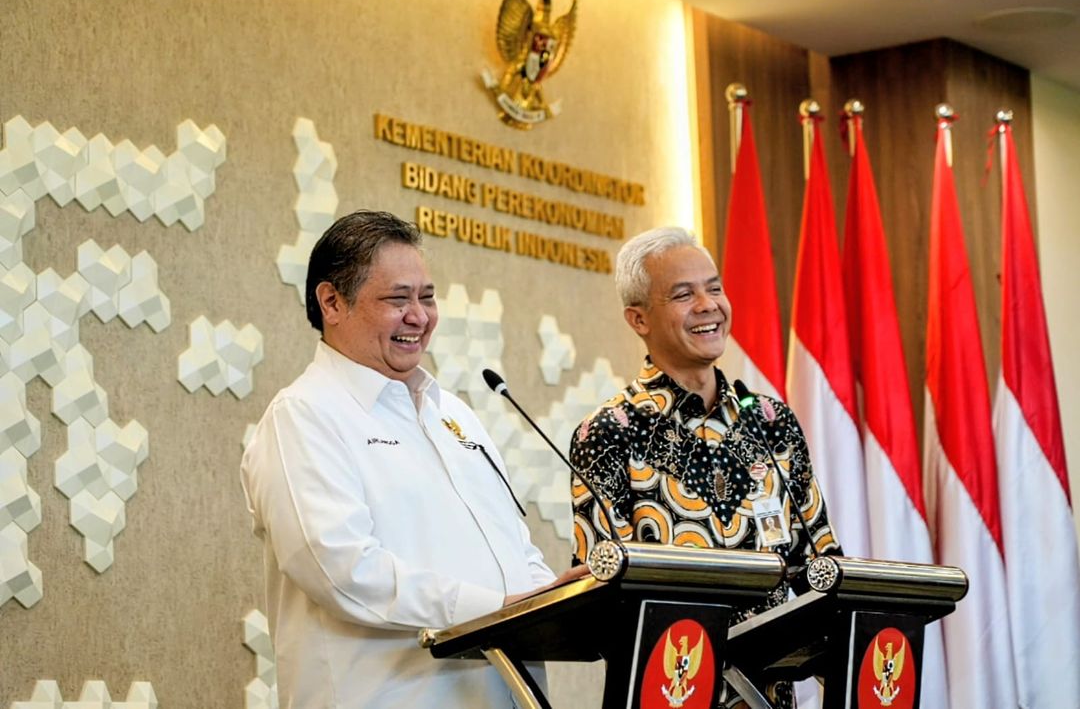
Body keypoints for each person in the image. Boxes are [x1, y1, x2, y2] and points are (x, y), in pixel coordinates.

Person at [241, 210, 583, 708]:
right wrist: (494, 610)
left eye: (427, 297)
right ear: (332, 302)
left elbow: (513, 546)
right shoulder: (303, 416)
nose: (419, 316)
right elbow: (342, 570)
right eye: (397, 299)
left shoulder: (455, 414)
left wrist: (556, 601)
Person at [569, 227, 841, 709]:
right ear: (638, 319)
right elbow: (601, 590)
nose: (707, 304)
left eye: (713, 287)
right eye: (683, 294)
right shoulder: (609, 432)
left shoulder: (771, 422)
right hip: (669, 692)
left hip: (768, 696)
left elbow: (820, 564)